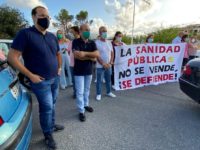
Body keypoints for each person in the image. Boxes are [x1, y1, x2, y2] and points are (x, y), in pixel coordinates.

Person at [8, 6, 64, 149]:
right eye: (42, 15)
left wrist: (59, 68)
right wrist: (30, 75)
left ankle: (51, 125)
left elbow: (58, 54)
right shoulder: (25, 34)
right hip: (40, 82)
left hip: (54, 78)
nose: (46, 19)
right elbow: (12, 57)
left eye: (48, 16)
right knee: (47, 107)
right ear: (33, 17)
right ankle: (47, 134)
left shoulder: (52, 36)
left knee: (53, 104)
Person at [72, 24, 99, 122]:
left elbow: (97, 54)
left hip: (89, 70)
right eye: (86, 30)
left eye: (89, 29)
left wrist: (85, 54)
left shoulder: (92, 42)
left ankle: (86, 105)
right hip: (78, 71)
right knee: (80, 92)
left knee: (87, 90)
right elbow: (77, 56)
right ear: (80, 31)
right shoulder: (76, 41)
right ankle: (81, 111)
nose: (88, 31)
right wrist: (91, 57)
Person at [95, 26, 116, 101]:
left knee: (108, 80)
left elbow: (112, 53)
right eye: (103, 31)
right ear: (100, 33)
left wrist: (111, 62)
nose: (105, 33)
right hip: (100, 65)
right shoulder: (96, 43)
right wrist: (103, 63)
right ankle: (98, 94)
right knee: (99, 81)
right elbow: (97, 55)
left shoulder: (109, 42)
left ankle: (108, 92)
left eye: (105, 31)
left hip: (109, 65)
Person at [68, 26, 80, 98]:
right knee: (74, 80)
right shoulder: (71, 42)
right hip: (72, 64)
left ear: (76, 31)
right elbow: (69, 52)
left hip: (80, 64)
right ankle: (75, 93)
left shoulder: (81, 41)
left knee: (80, 80)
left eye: (71, 32)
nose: (70, 33)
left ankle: (80, 93)